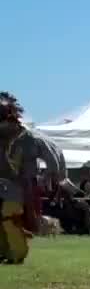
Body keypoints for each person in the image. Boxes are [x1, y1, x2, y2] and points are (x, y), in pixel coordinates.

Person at [1, 92, 42, 264]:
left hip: (16, 188)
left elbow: (27, 172)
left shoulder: (26, 139)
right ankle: (5, 251)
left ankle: (18, 253)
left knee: (9, 217)